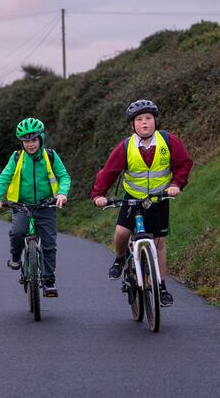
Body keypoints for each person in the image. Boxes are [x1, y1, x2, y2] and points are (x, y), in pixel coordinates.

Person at [90, 99, 192, 307]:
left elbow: (184, 164)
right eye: (139, 119)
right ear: (133, 124)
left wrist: (176, 184)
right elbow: (109, 172)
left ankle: (161, 287)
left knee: (159, 242)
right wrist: (99, 194)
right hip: (132, 198)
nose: (144, 123)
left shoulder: (169, 141)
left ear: (155, 121)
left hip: (159, 198)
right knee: (121, 234)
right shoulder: (126, 146)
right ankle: (120, 258)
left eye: (148, 118)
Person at [0, 117, 71, 297]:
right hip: (22, 206)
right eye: (26, 141)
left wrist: (62, 193)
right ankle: (16, 257)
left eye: (34, 140)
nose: (30, 144)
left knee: (49, 244)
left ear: (41, 138)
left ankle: (49, 281)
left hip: (46, 205)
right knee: (18, 232)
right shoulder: (17, 157)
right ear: (22, 142)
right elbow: (5, 177)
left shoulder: (50, 155)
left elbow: (63, 176)